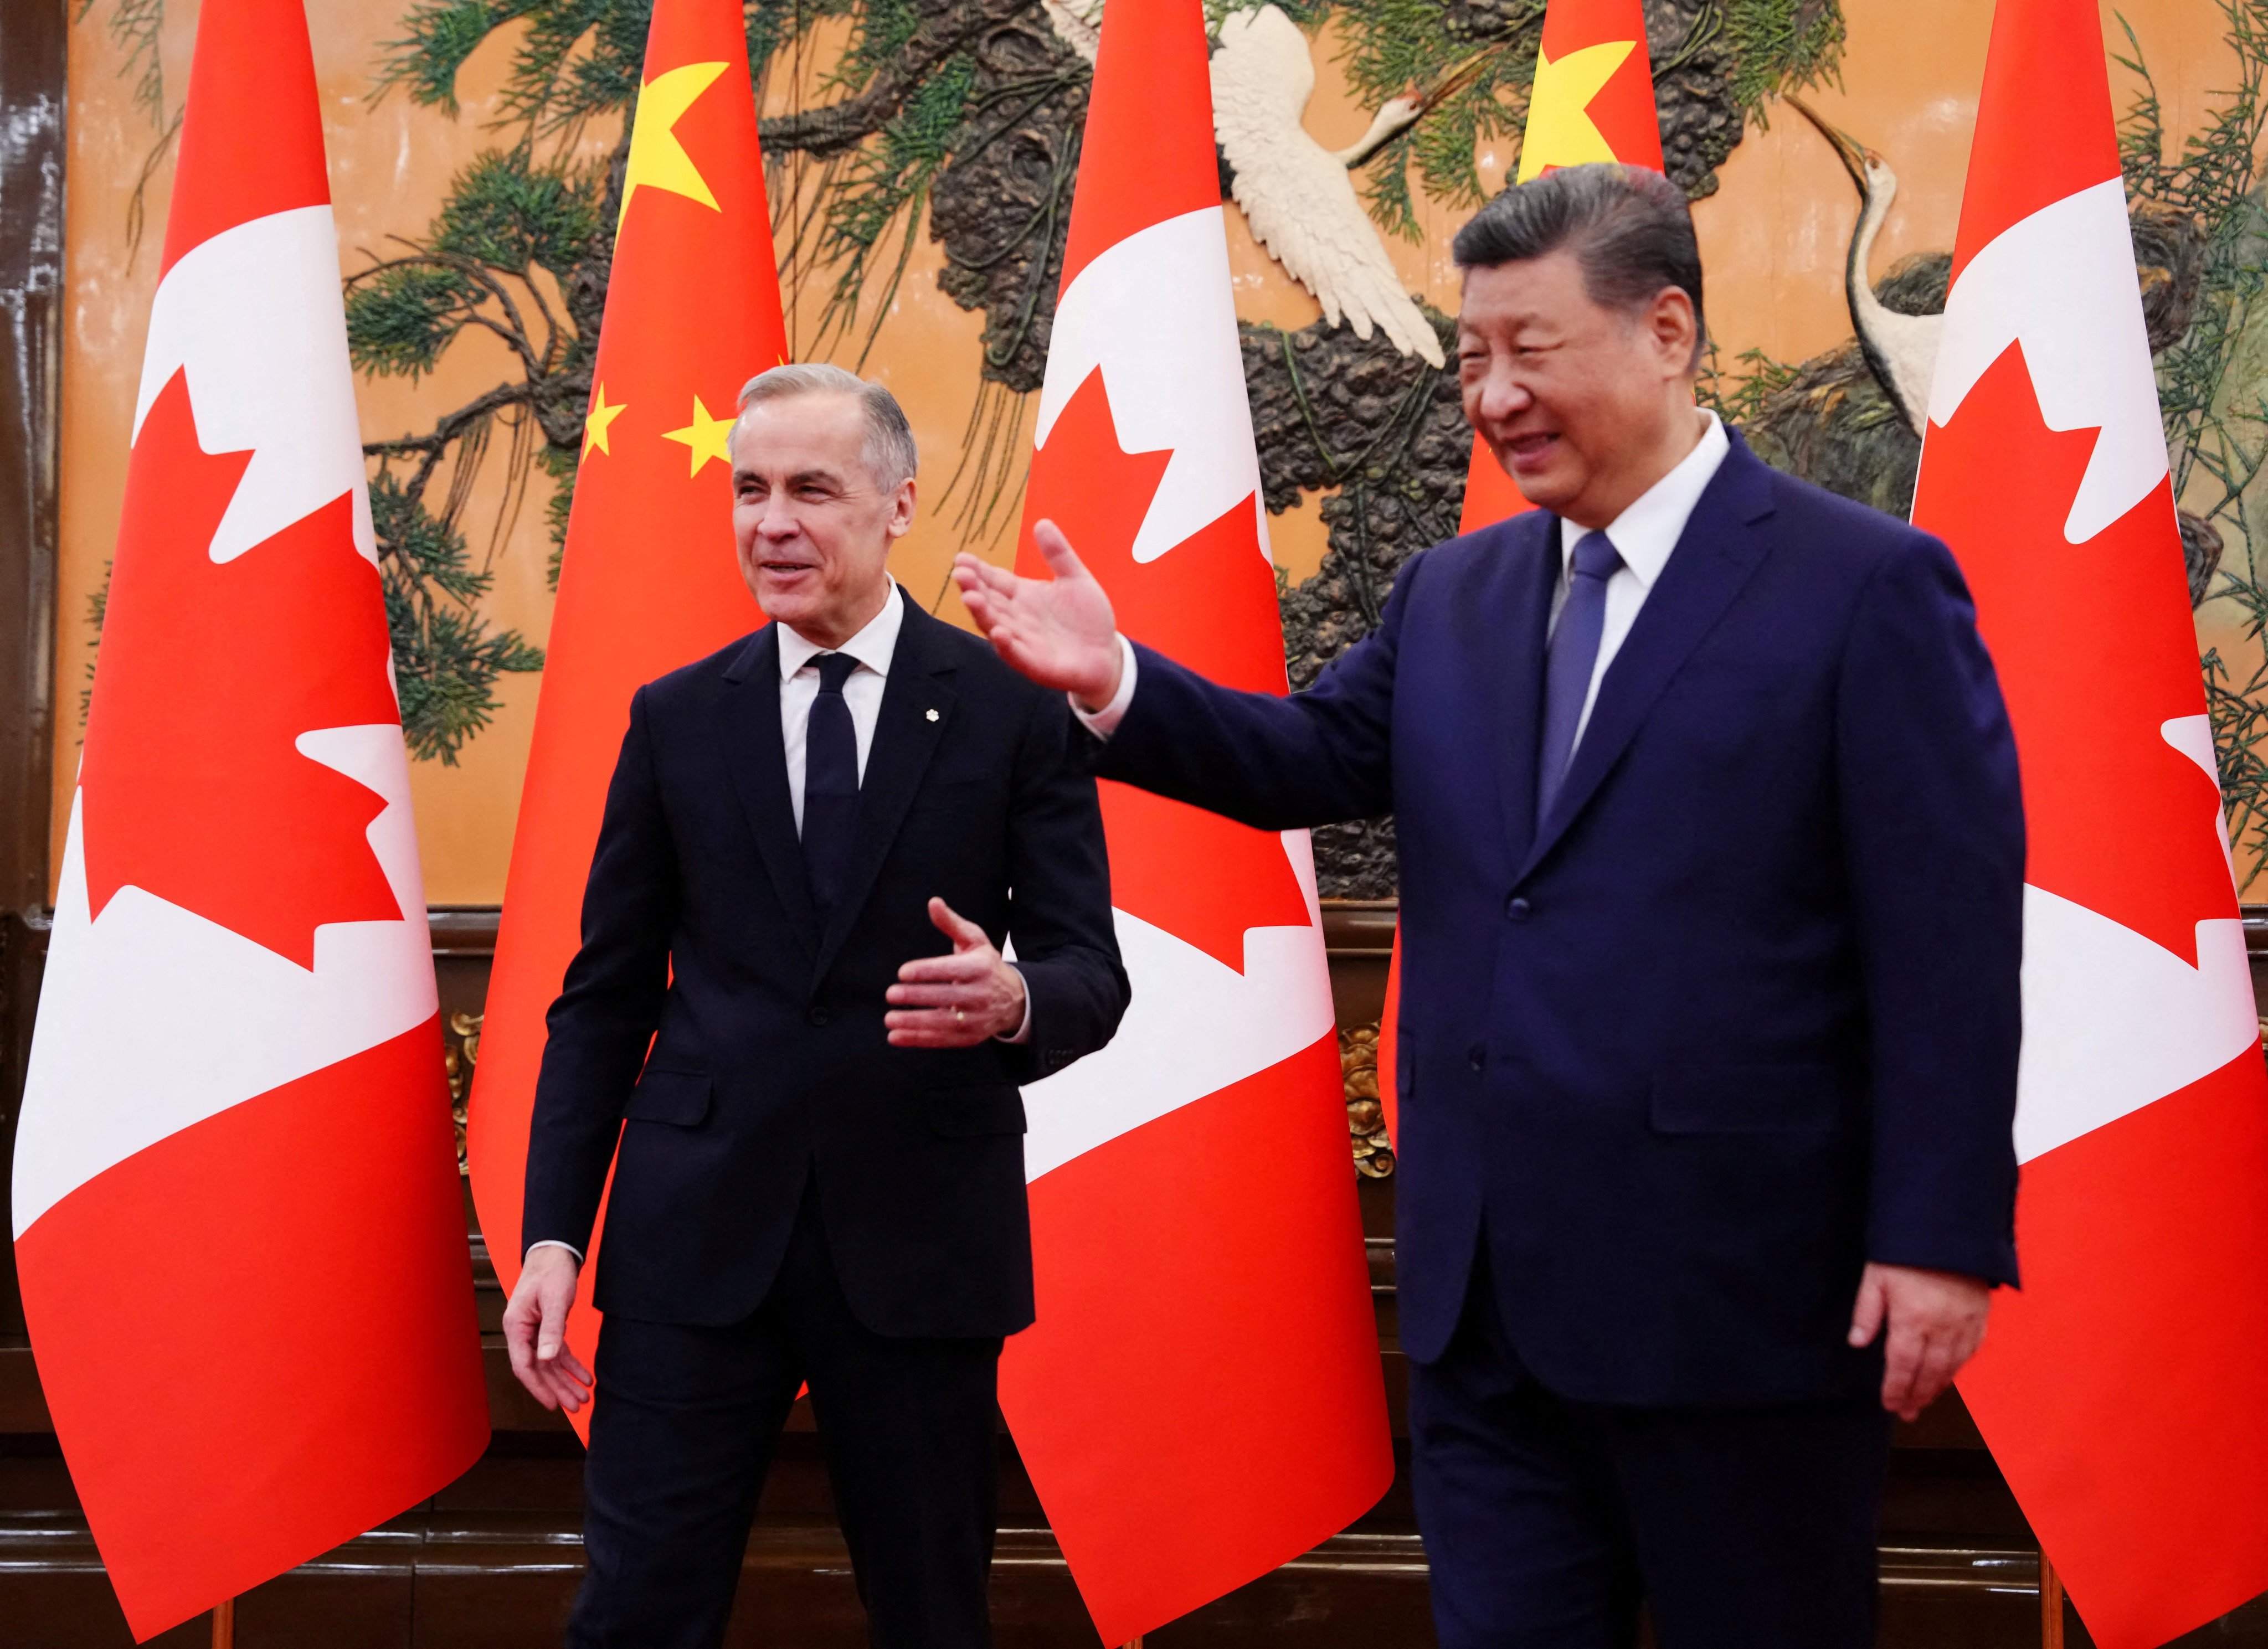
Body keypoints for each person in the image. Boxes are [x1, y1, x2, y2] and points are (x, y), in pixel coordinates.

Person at [953, 164, 2024, 1649]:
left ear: (1666, 331)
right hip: (1487, 1305)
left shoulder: (1866, 589)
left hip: (1743, 1304)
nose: (1496, 394)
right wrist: (1116, 682)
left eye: (1531, 351)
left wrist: (1942, 1235)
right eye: (1471, 360)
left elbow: (1949, 941)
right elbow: (1310, 758)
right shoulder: (1451, 592)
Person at [502, 363, 1129, 1649]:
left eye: (810, 489)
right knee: (633, 1612)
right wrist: (554, 1236)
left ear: (898, 505)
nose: (770, 522)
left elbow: (1089, 972)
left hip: (918, 1241)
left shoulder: (1011, 705)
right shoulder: (678, 718)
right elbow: (603, 997)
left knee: (930, 1613)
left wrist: (1013, 997)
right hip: (694, 1240)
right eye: (748, 489)